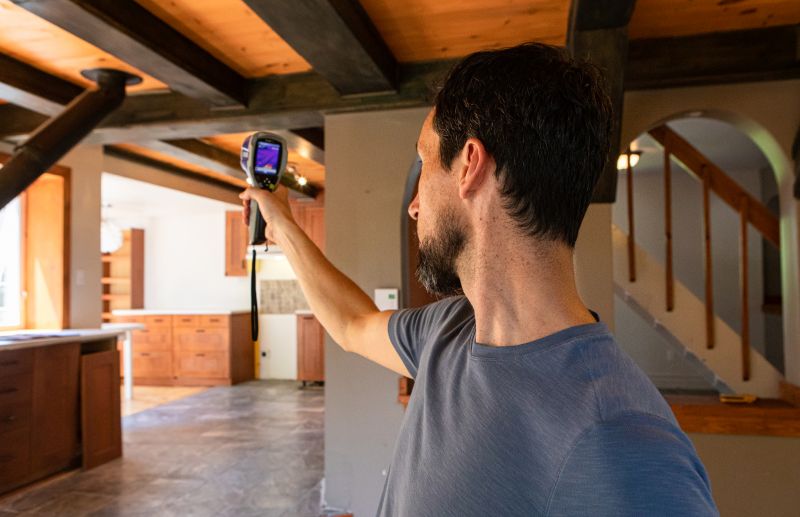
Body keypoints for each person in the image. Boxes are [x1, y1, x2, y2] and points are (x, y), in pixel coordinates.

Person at [240, 42, 719, 517]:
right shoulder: (445, 331)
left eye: (425, 164)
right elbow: (351, 322)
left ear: (470, 164)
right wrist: (281, 223)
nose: (413, 205)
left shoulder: (620, 444)